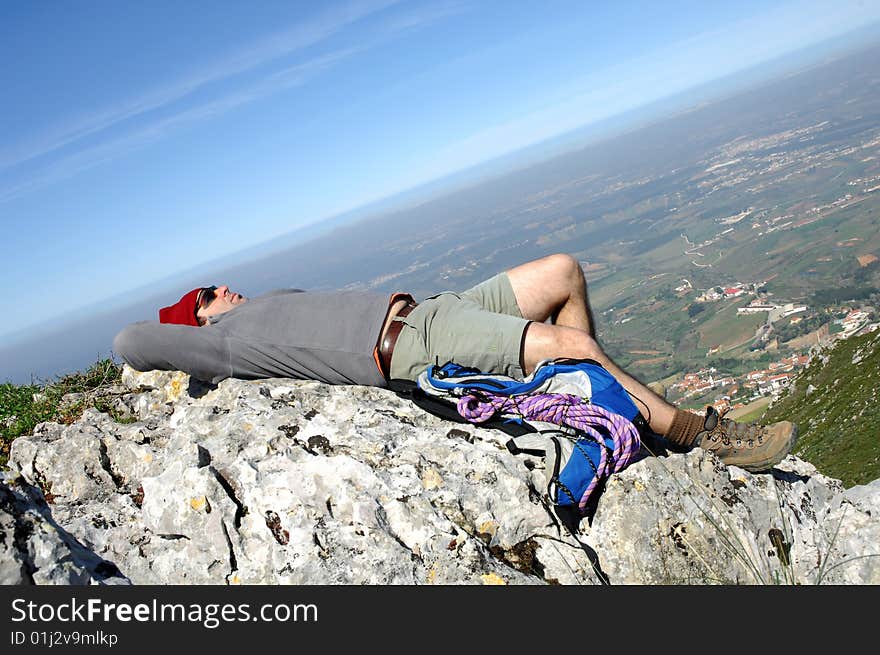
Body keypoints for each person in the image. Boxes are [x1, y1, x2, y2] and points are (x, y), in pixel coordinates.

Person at [114, 253, 797, 472]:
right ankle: (694, 435)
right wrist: (185, 329)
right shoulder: (228, 343)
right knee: (573, 345)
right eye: (206, 296)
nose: (221, 289)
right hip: (415, 344)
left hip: (435, 307)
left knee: (563, 271)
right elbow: (129, 342)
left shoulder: (264, 306)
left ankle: (604, 404)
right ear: (197, 321)